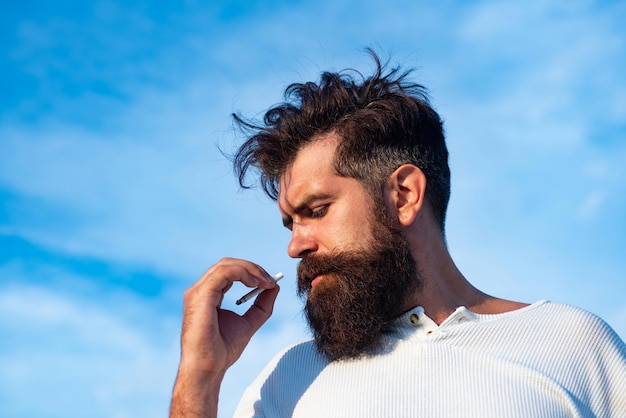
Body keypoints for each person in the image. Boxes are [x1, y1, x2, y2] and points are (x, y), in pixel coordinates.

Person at [169, 51, 626, 417]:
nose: (295, 246)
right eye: (291, 222)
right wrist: (200, 375)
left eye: (318, 210)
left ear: (404, 195)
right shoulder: (289, 379)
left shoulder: (575, 344)